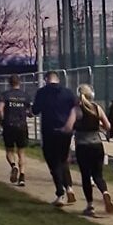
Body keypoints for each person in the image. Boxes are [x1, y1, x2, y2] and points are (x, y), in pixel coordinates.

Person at [62, 84, 113, 217]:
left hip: (82, 146)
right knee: (98, 175)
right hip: (97, 145)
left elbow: (68, 127)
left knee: (86, 176)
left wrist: (63, 130)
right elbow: (108, 126)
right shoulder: (96, 108)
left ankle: (90, 206)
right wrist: (99, 125)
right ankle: (105, 192)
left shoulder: (76, 110)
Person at [32, 71, 78, 206]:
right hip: (66, 131)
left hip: (49, 131)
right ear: (58, 79)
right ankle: (69, 187)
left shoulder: (42, 92)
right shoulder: (68, 92)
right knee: (63, 159)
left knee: (53, 162)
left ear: (46, 79)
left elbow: (35, 110)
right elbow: (75, 109)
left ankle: (60, 193)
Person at [0, 74, 31, 187]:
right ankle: (22, 177)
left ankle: (13, 165)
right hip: (21, 126)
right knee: (21, 152)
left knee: (9, 150)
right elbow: (29, 111)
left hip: (9, 125)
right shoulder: (25, 96)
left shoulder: (5, 95)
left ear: (9, 83)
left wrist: (2, 120)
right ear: (19, 82)